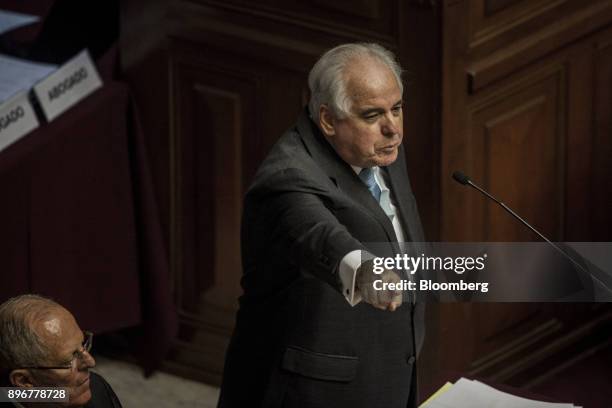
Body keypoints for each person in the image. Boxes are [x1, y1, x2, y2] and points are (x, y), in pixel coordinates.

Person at [217, 43, 426, 408]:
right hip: (311, 390)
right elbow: (317, 235)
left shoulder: (379, 145)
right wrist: (365, 272)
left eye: (397, 108)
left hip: (389, 367)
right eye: (373, 114)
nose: (392, 128)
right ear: (328, 119)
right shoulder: (287, 177)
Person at [0, 295, 123, 408]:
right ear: (24, 381)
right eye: (69, 360)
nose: (91, 362)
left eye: (83, 344)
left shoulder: (96, 388)